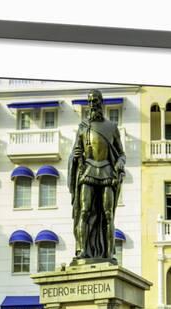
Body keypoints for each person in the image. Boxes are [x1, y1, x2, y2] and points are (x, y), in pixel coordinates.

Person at [68, 89, 126, 262]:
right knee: (84, 211)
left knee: (108, 214)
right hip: (88, 172)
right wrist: (75, 156)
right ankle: (82, 250)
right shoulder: (82, 127)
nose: (93, 104)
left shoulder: (112, 127)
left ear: (102, 103)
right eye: (90, 101)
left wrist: (120, 162)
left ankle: (109, 253)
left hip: (107, 172)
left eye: (96, 101)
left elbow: (121, 153)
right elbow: (75, 153)